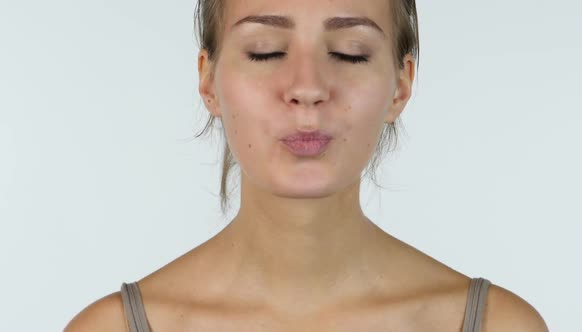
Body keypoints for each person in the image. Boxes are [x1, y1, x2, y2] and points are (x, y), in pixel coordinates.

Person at [65, 0, 549, 331]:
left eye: (349, 54)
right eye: (265, 51)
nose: (308, 88)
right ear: (208, 81)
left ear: (402, 85)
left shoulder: (499, 325)